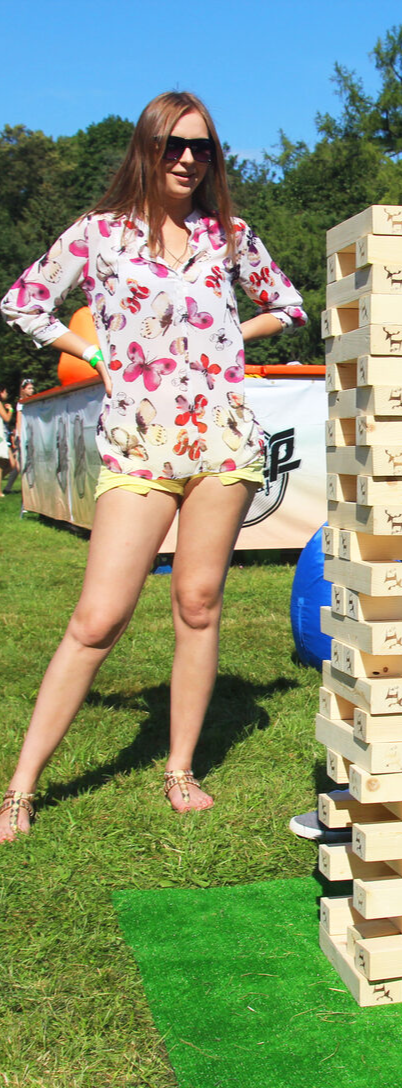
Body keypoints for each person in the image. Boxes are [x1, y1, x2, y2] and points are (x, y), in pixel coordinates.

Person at [0, 91, 306, 841]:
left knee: (198, 604)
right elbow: (22, 302)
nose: (188, 159)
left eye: (201, 147)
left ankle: (179, 768)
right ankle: (20, 786)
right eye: (174, 144)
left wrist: (237, 326)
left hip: (223, 441)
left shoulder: (228, 234)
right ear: (147, 148)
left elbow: (290, 305)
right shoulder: (99, 234)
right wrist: (94, 354)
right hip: (139, 441)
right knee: (98, 617)